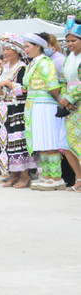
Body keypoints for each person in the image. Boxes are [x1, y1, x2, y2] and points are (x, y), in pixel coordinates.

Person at [23, 32, 80, 190]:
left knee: (50, 142)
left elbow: (54, 86)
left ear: (37, 46)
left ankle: (56, 178)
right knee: (41, 142)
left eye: (28, 46)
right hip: (34, 105)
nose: (25, 49)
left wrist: (62, 100)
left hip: (45, 105)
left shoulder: (46, 62)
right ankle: (47, 176)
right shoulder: (33, 63)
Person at [0, 33, 35, 189]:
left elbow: (25, 89)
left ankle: (25, 176)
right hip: (5, 109)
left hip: (17, 109)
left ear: (17, 50)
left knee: (18, 142)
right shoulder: (4, 69)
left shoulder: (22, 68)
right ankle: (13, 174)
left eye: (8, 50)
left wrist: (9, 84)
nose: (5, 53)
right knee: (6, 144)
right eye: (4, 50)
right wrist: (0, 91)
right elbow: (2, 91)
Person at [59, 17, 81, 192]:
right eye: (67, 41)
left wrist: (71, 98)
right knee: (66, 144)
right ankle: (78, 178)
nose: (69, 44)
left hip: (77, 102)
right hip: (70, 107)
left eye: (73, 40)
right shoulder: (68, 59)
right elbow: (63, 81)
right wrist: (65, 98)